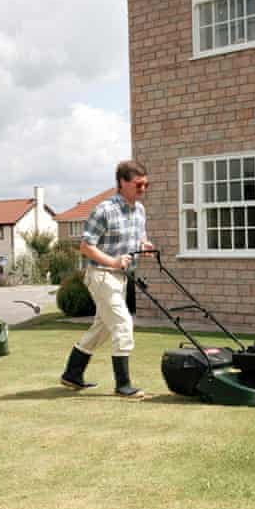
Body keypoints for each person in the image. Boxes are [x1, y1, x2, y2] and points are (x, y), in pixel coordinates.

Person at [60, 160, 152, 398]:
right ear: (122, 182)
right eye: (139, 185)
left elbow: (138, 238)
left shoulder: (139, 210)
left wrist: (145, 245)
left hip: (120, 277)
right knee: (122, 324)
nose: (143, 190)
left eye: (146, 185)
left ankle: (72, 374)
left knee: (102, 327)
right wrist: (112, 262)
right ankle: (123, 385)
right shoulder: (104, 210)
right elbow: (85, 247)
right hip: (101, 275)